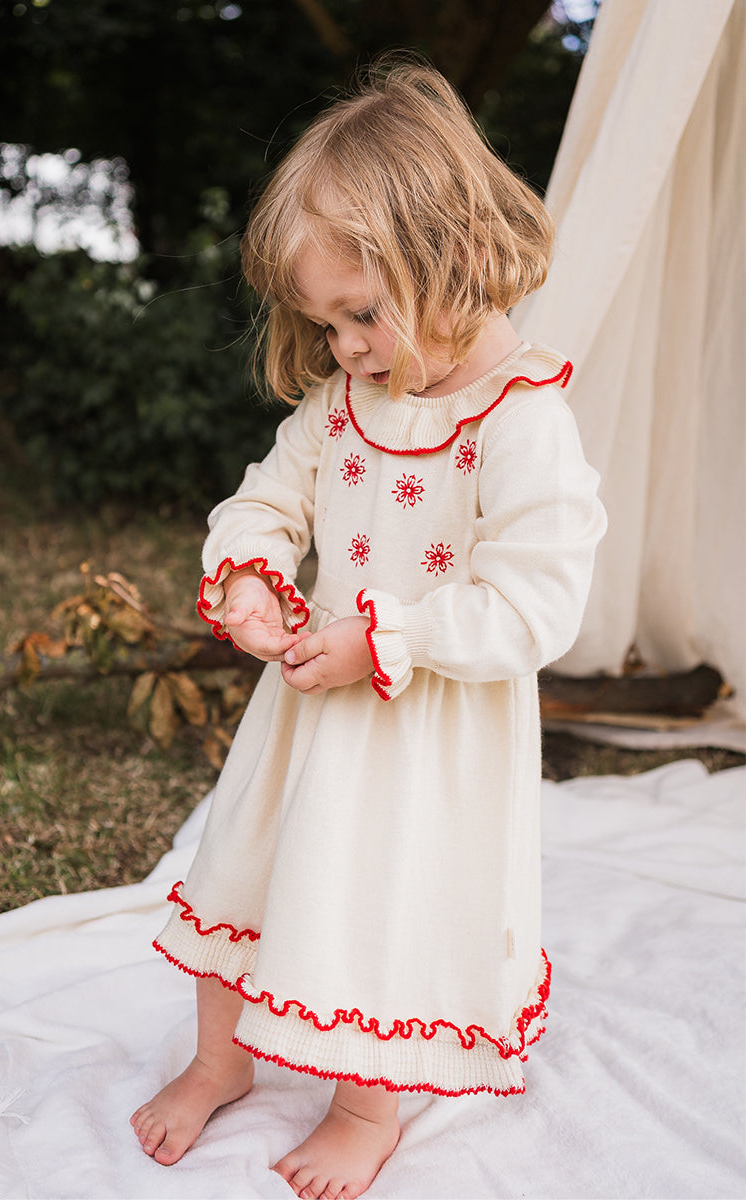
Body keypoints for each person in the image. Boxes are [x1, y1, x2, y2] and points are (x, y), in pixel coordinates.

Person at [130, 57, 606, 1200]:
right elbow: (269, 496)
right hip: (308, 715)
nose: (343, 346)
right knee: (243, 866)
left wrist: (389, 640)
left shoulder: (520, 418)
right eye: (325, 321)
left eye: (359, 314)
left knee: (380, 909)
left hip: (425, 734)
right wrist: (252, 575)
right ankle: (219, 1059)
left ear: (449, 257)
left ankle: (362, 1108)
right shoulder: (347, 402)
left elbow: (535, 598)